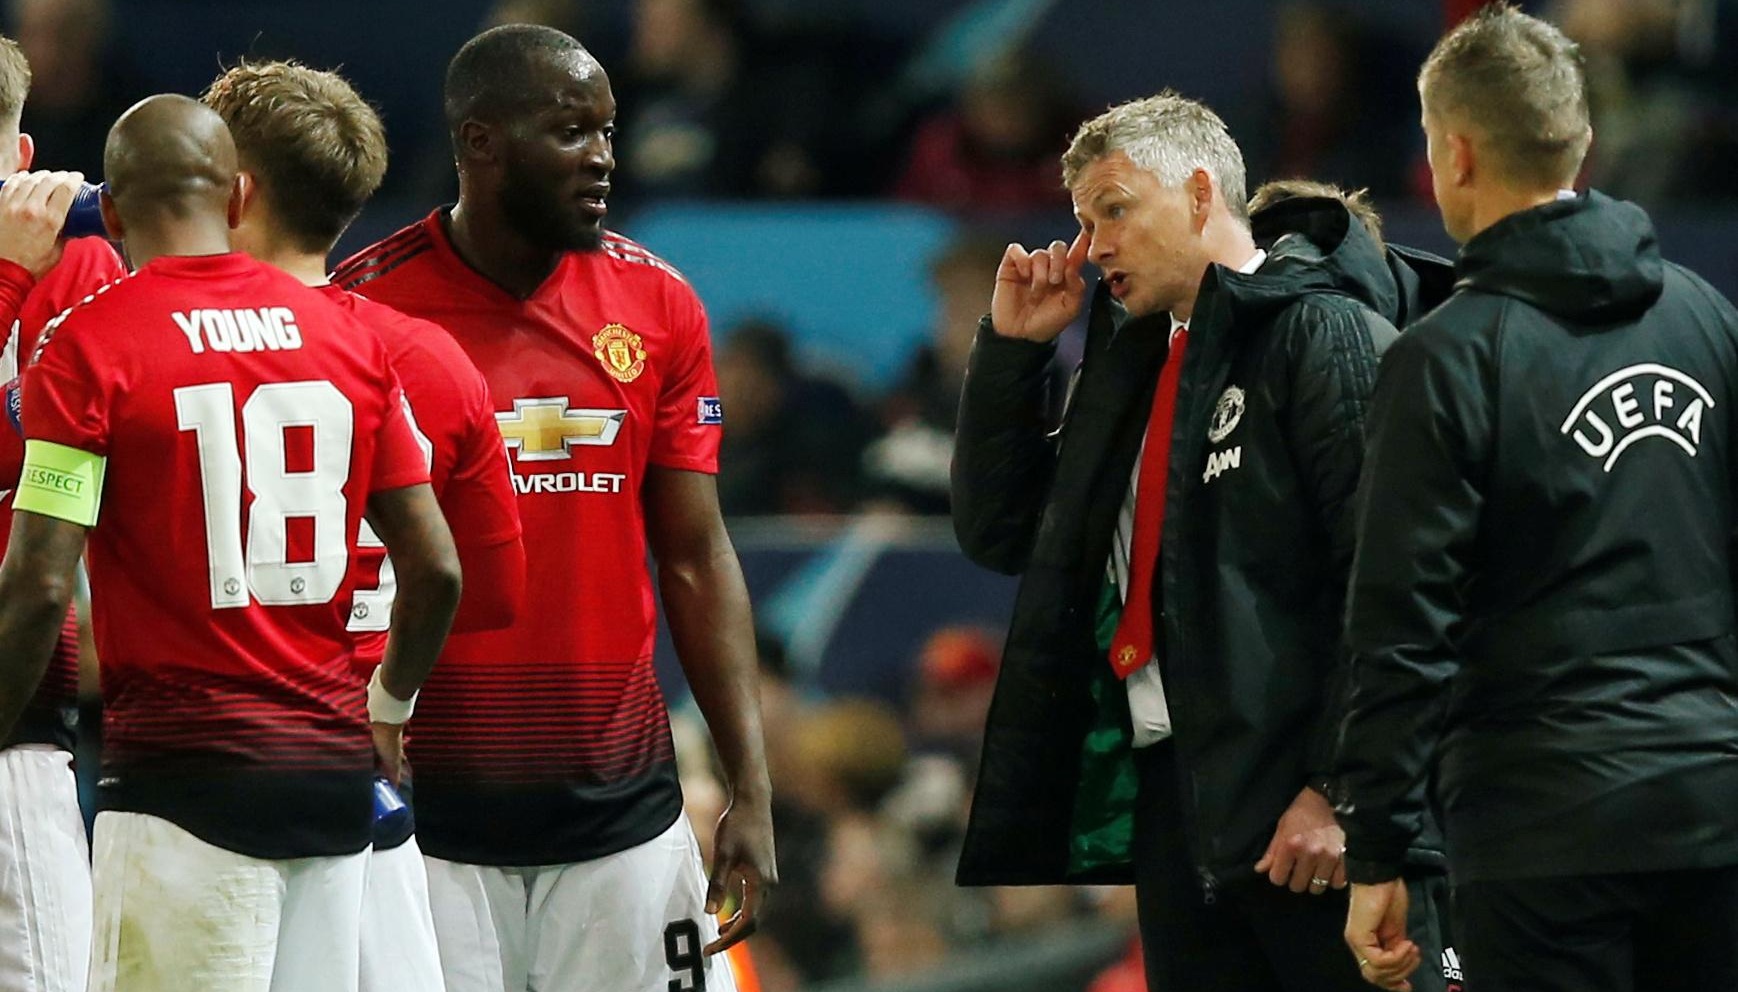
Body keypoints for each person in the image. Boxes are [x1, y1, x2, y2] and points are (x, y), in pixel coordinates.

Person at [950, 92, 1454, 991]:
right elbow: (1004, 534)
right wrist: (1012, 358)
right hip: (1178, 809)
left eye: (1114, 210)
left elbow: (1392, 580)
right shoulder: (1132, 367)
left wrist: (1342, 791)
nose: (1094, 246)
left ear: (1196, 193)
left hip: (1311, 816)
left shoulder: (1321, 331)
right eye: (1084, 222)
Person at [334, 24, 776, 992]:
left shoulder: (659, 305)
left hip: (625, 820)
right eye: (572, 131)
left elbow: (697, 555)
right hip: (427, 826)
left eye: (608, 131)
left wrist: (750, 786)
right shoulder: (363, 311)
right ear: (480, 142)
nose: (604, 158)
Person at [0, 94, 462, 992]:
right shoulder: (349, 336)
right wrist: (390, 705)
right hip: (333, 790)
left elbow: (41, 587)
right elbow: (437, 569)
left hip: (179, 794)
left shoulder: (91, 347)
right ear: (238, 197)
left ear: (113, 213)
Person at [1334, 7, 1738, 992]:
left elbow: (1400, 624)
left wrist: (1380, 848)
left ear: (1456, 154)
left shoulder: (1443, 358)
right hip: (1713, 807)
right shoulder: (1705, 316)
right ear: (1582, 138)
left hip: (1539, 834)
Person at [201, 59, 527, 992]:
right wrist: (389, 696)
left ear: (232, 189)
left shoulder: (163, 344)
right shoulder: (431, 358)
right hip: (369, 781)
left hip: (204, 781)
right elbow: (489, 593)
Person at [0, 28, 126, 992]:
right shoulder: (28, 271)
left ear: (22, 158)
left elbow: (87, 471)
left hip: (18, 726)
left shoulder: (80, 273)